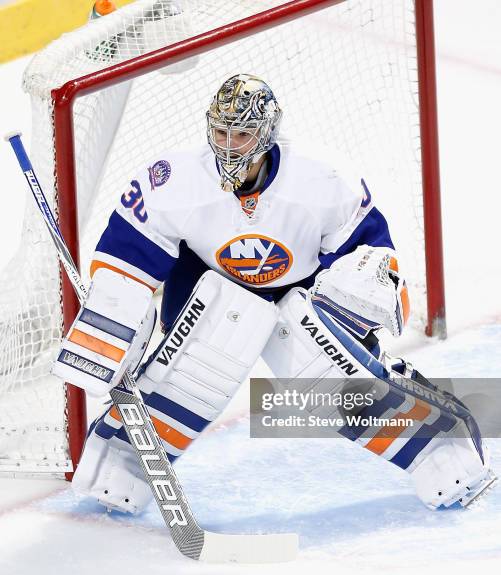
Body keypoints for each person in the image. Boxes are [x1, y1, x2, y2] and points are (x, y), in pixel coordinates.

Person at [52, 74, 494, 514]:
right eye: (221, 131)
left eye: (242, 134)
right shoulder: (173, 178)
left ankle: (444, 449)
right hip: (207, 280)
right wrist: (113, 329)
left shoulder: (322, 176)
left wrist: (364, 290)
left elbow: (370, 252)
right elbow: (125, 257)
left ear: (266, 133)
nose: (228, 145)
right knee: (190, 369)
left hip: (301, 284)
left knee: (328, 373)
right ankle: (120, 466)